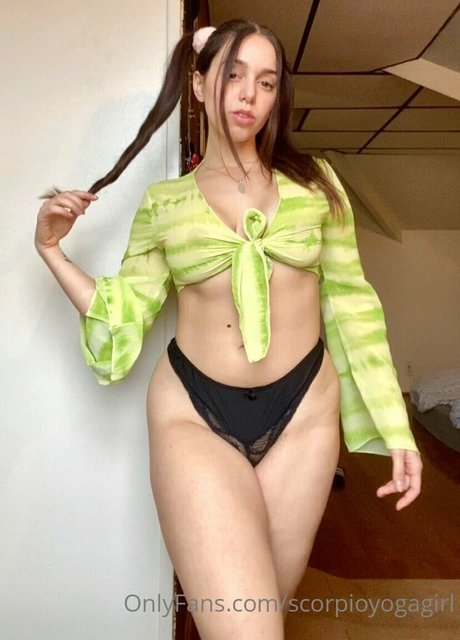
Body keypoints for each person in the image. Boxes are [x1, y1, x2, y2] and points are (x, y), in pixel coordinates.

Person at [34, 19, 422, 640]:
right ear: (198, 83)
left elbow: (354, 306)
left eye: (265, 82)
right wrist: (52, 251)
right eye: (233, 75)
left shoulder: (318, 184)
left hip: (303, 416)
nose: (248, 95)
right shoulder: (165, 203)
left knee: (265, 613)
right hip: (194, 413)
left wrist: (396, 428)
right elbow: (122, 311)